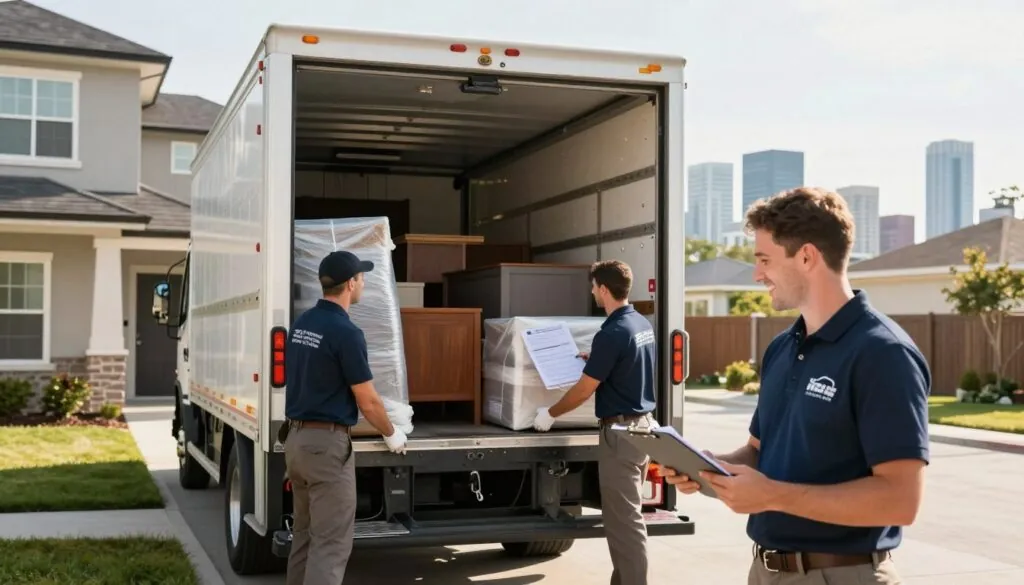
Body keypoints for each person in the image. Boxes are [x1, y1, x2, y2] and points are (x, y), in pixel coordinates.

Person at [664, 187, 930, 585]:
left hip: (843, 575)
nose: (757, 274)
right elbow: (758, 453)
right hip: (766, 571)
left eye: (764, 260)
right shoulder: (782, 347)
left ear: (806, 256)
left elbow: (900, 500)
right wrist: (708, 469)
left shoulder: (883, 353)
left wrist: (772, 494)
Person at [283, 250, 408, 585]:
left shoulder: (301, 324)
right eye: (362, 277)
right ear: (351, 283)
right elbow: (367, 400)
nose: (364, 281)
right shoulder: (346, 332)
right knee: (331, 545)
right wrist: (391, 432)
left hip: (296, 442)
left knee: (305, 538)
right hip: (326, 448)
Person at [533, 259, 657, 585]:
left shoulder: (612, 332)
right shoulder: (640, 324)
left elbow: (584, 390)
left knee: (624, 524)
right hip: (642, 426)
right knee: (624, 521)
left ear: (603, 289)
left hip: (621, 433)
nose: (592, 292)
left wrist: (550, 414)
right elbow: (626, 363)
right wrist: (598, 358)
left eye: (593, 287)